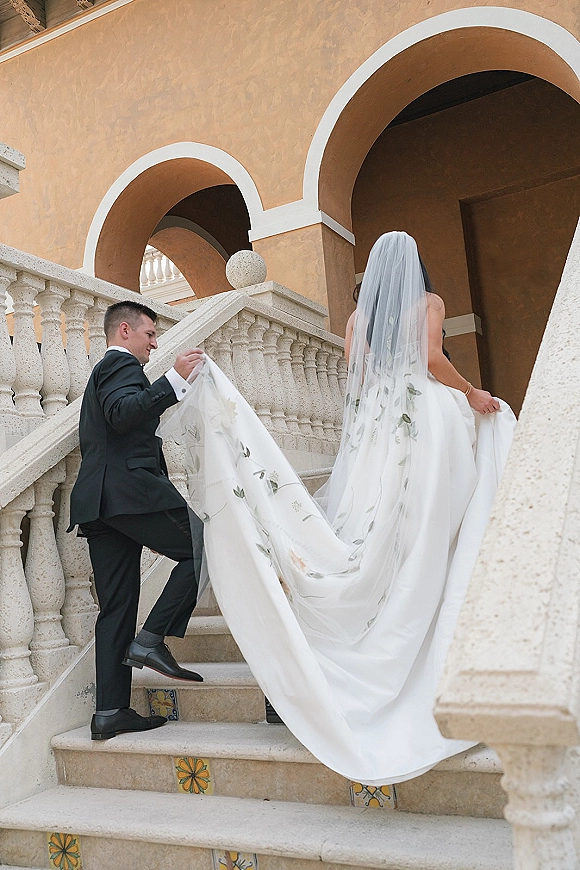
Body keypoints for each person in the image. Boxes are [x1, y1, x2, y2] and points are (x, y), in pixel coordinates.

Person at [159, 232, 516, 784]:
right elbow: (430, 357)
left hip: (379, 425)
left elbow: (359, 376)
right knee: (432, 521)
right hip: (426, 422)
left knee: (380, 527)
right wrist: (471, 393)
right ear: (415, 265)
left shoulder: (356, 320)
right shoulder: (429, 304)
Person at [69, 300, 206, 741]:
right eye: (150, 334)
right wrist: (174, 380)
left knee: (116, 608)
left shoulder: (108, 373)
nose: (154, 343)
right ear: (124, 331)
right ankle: (151, 639)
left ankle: (110, 713)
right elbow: (124, 415)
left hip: (100, 504)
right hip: (129, 495)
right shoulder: (119, 366)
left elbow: (117, 422)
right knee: (202, 545)